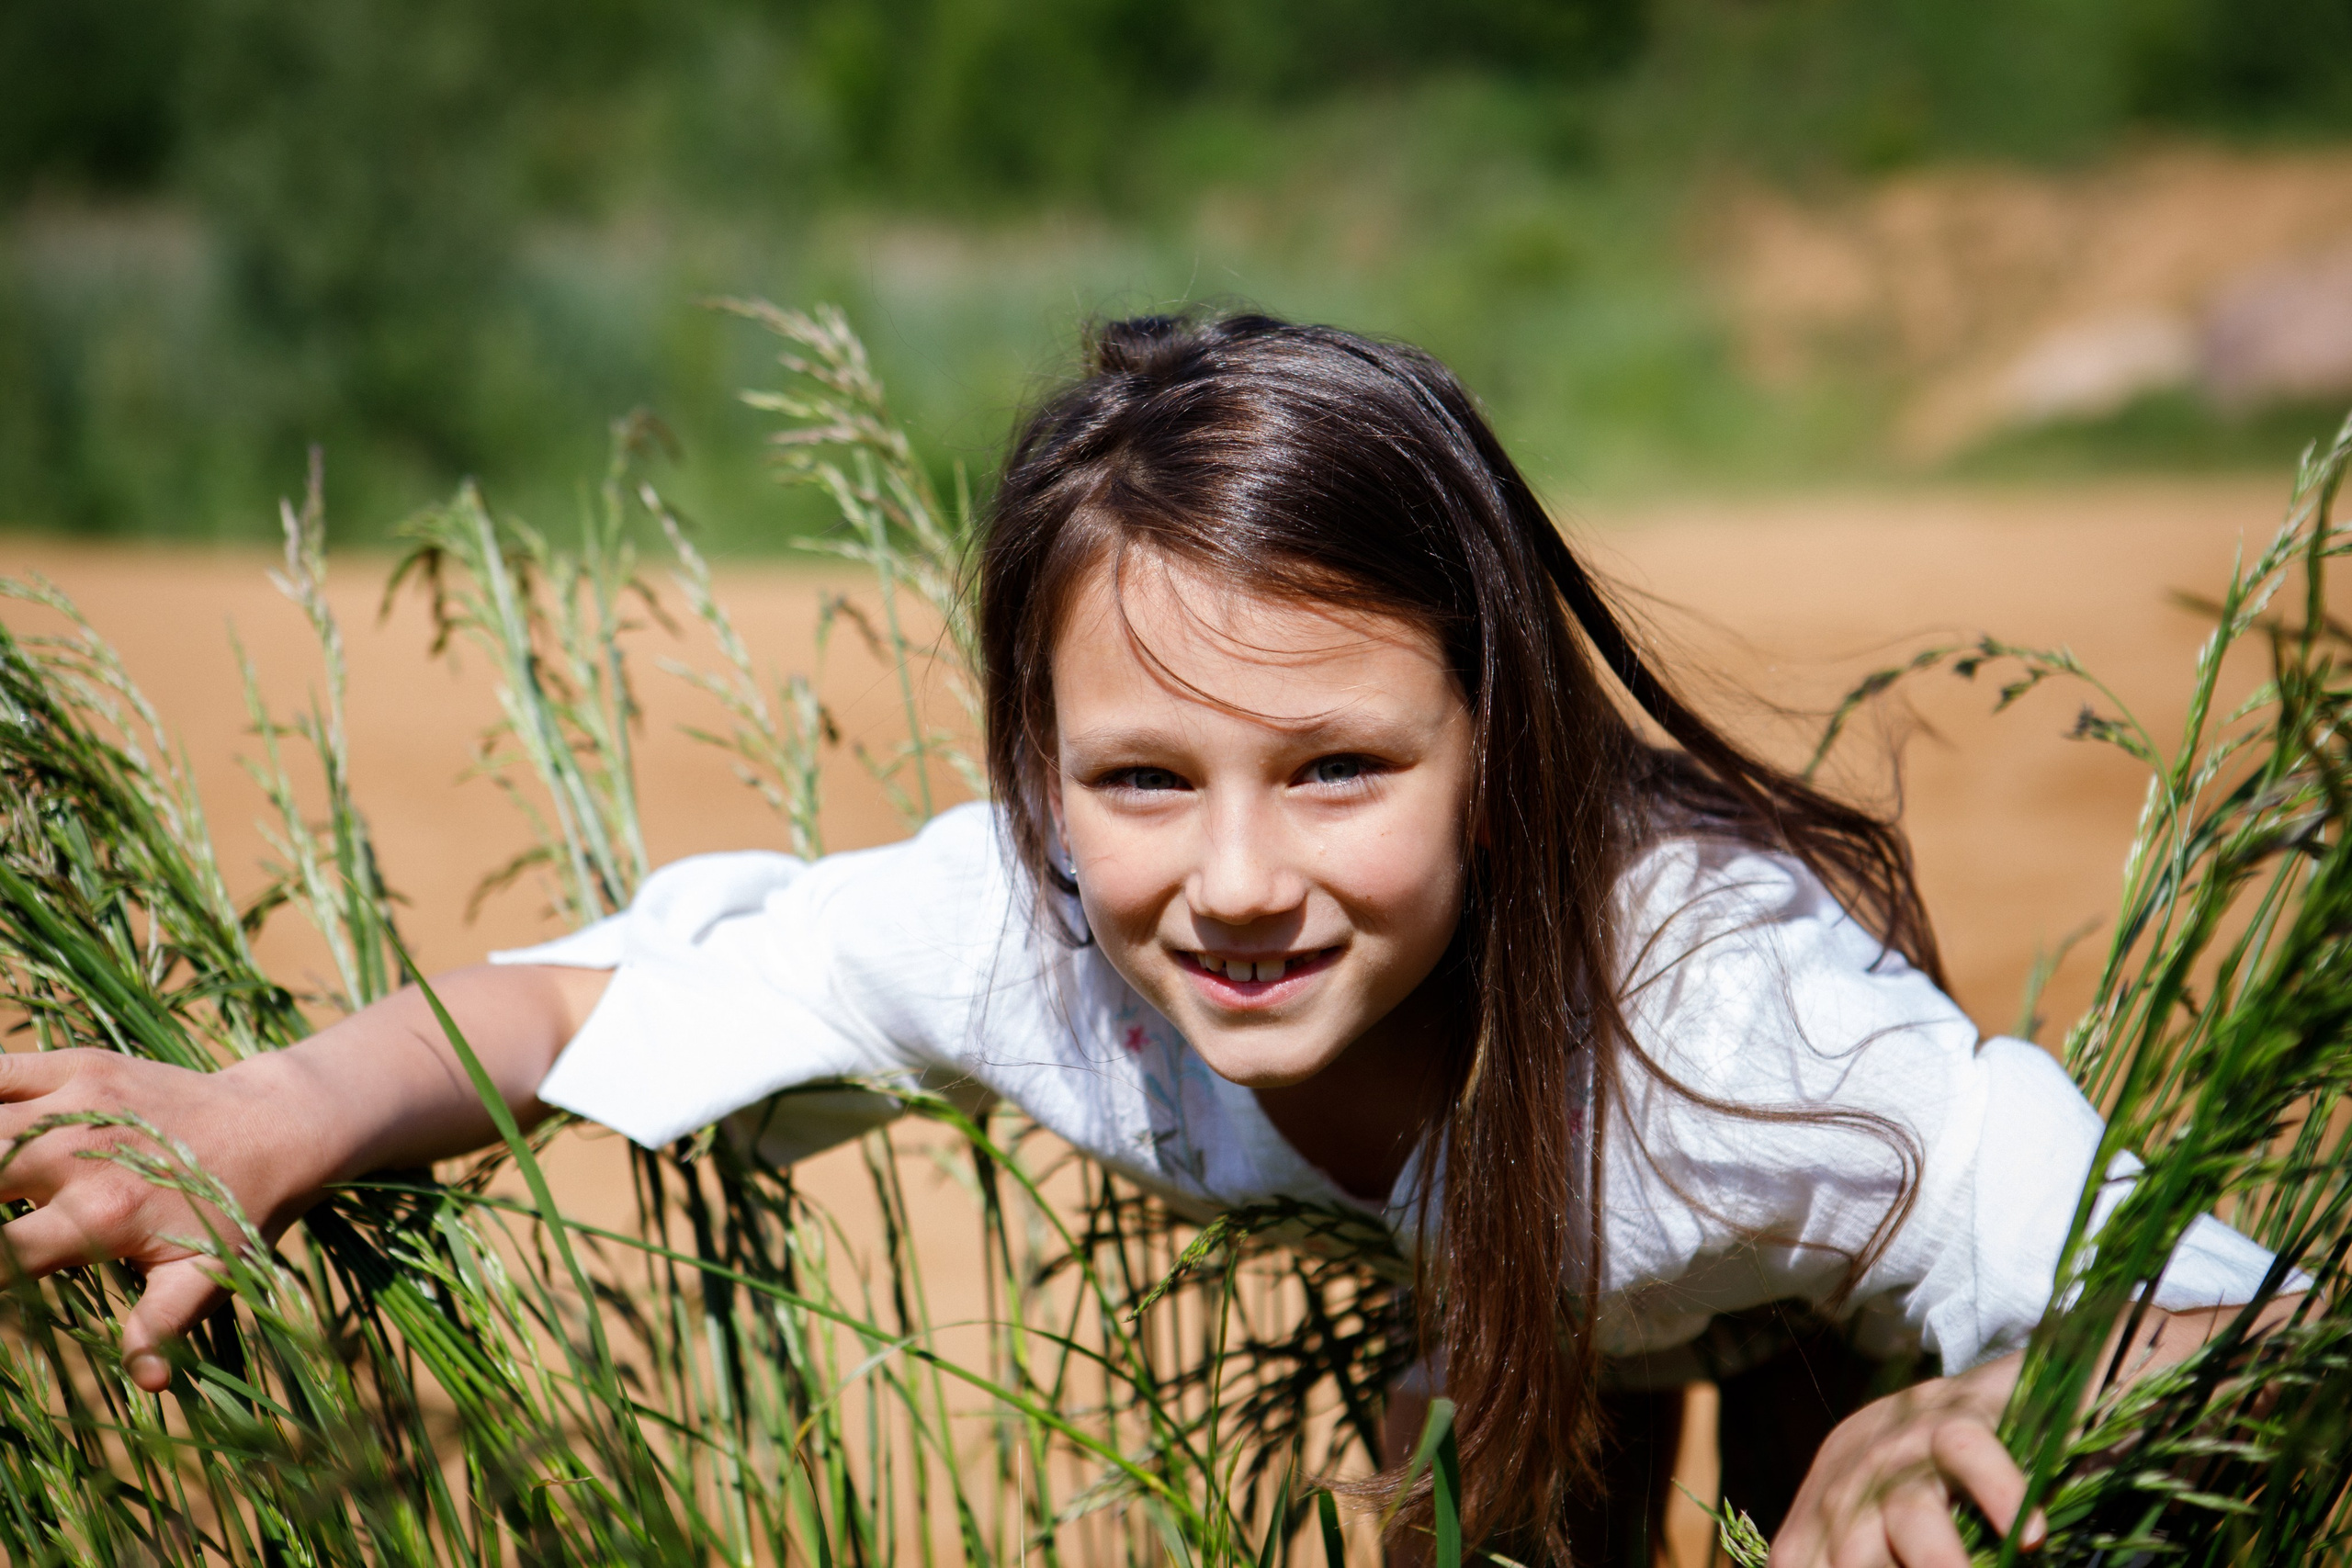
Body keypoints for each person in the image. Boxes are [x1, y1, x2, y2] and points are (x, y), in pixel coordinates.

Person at [0, 313, 2294, 1567]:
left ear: (1499, 749)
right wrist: (271, 1103)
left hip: (1782, 1280)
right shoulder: (1025, 937)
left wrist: (1971, 1410)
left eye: (1335, 768)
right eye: (1136, 779)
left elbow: (2236, 1310)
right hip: (1514, 1290)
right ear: (1031, 773)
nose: (1228, 880)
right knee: (1480, 1460)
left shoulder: (1725, 1028)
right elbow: (620, 987)